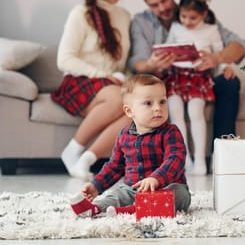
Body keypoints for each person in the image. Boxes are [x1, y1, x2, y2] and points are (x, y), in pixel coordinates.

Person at [129, 0, 245, 159]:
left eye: (165, 0)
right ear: (146, 3)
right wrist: (151, 64)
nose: (162, 8)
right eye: (154, 5)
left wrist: (218, 58)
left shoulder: (194, 9)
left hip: (200, 77)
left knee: (229, 82)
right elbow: (137, 62)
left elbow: (238, 46)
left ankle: (222, 156)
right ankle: (173, 159)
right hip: (165, 79)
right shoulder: (141, 22)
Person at [51, 0, 132, 180]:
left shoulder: (124, 16)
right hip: (82, 82)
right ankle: (72, 150)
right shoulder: (81, 14)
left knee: (134, 111)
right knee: (118, 98)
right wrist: (101, 75)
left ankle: (86, 159)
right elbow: (64, 59)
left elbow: (121, 63)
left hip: (111, 83)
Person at [69, 74, 191, 217]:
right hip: (133, 190)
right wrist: (96, 186)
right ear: (129, 111)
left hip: (165, 187)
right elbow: (114, 166)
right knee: (117, 195)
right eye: (148, 103)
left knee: (179, 195)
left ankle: (132, 211)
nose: (158, 108)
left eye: (162, 101)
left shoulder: (171, 132)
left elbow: (175, 159)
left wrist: (156, 178)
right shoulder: (124, 135)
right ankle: (94, 209)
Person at [162, 0, 236, 175]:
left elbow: (219, 53)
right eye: (183, 16)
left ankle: (201, 160)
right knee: (175, 112)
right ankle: (184, 159)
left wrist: (225, 65)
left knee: (196, 112)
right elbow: (166, 47)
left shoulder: (211, 30)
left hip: (198, 77)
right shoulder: (176, 28)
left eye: (192, 18)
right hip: (176, 76)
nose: (187, 21)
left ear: (203, 14)